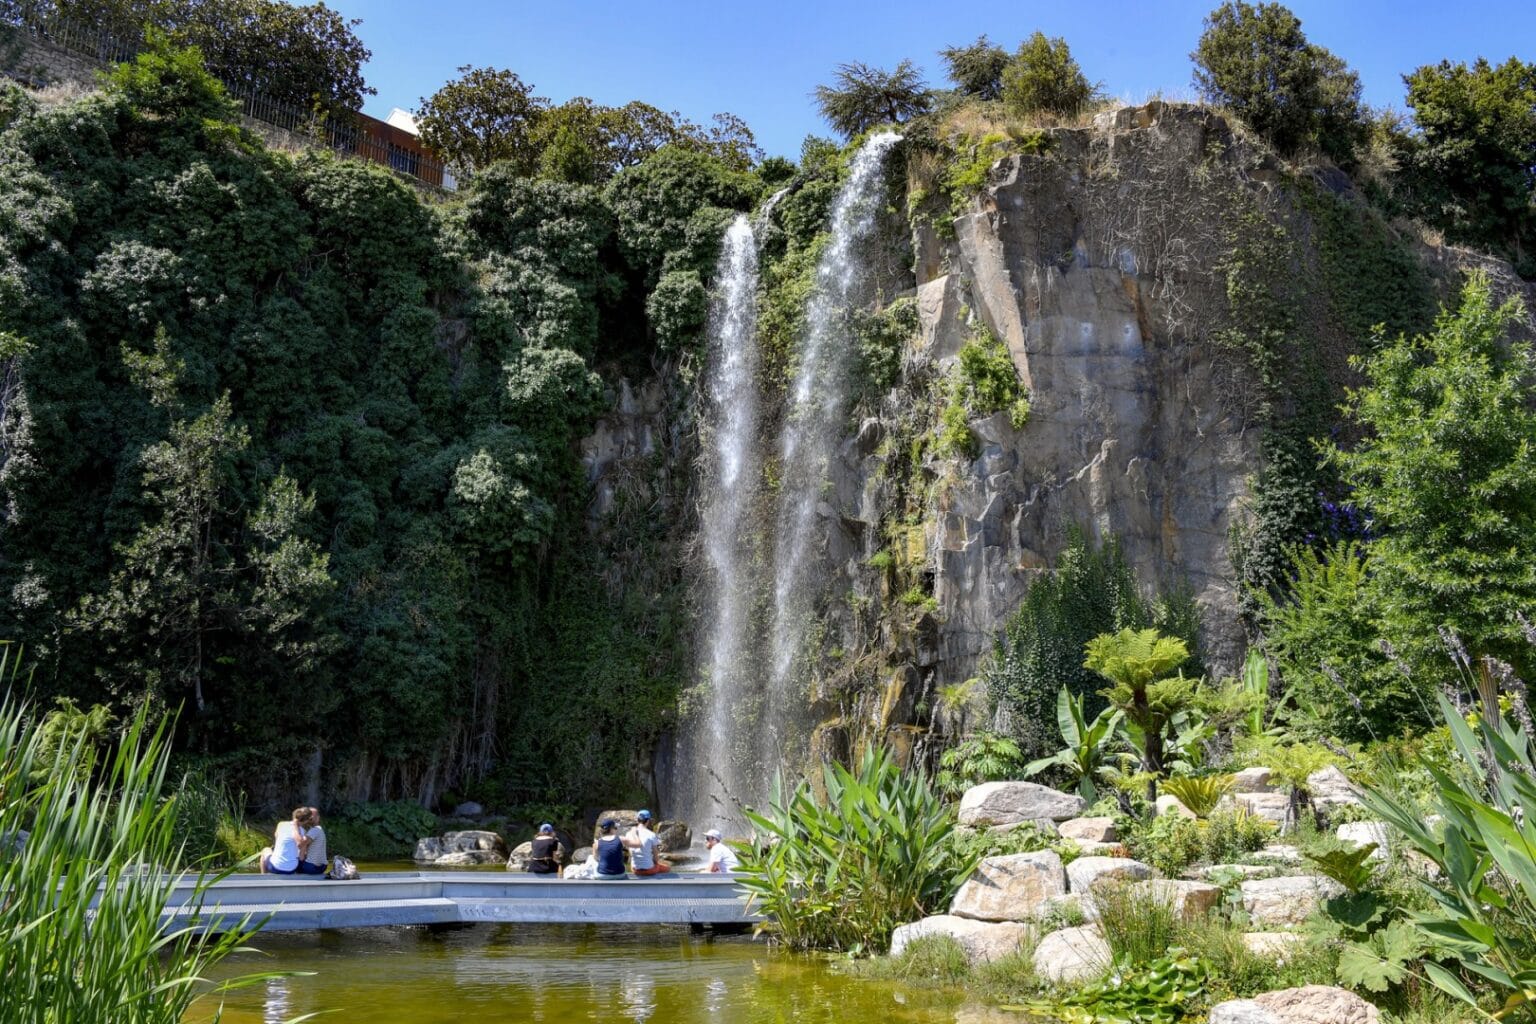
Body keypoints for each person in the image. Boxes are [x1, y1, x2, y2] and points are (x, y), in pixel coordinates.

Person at [261, 807, 325, 876]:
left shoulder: (281, 824)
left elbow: (277, 838)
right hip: (291, 870)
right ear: (306, 820)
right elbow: (301, 857)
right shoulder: (303, 832)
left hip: (274, 868)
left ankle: (263, 876)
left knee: (266, 850)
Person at [622, 808, 670, 876]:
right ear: (648, 821)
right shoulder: (651, 835)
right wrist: (654, 862)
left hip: (635, 869)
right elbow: (656, 858)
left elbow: (631, 854)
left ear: (637, 820)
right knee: (667, 868)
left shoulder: (628, 834)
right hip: (649, 870)